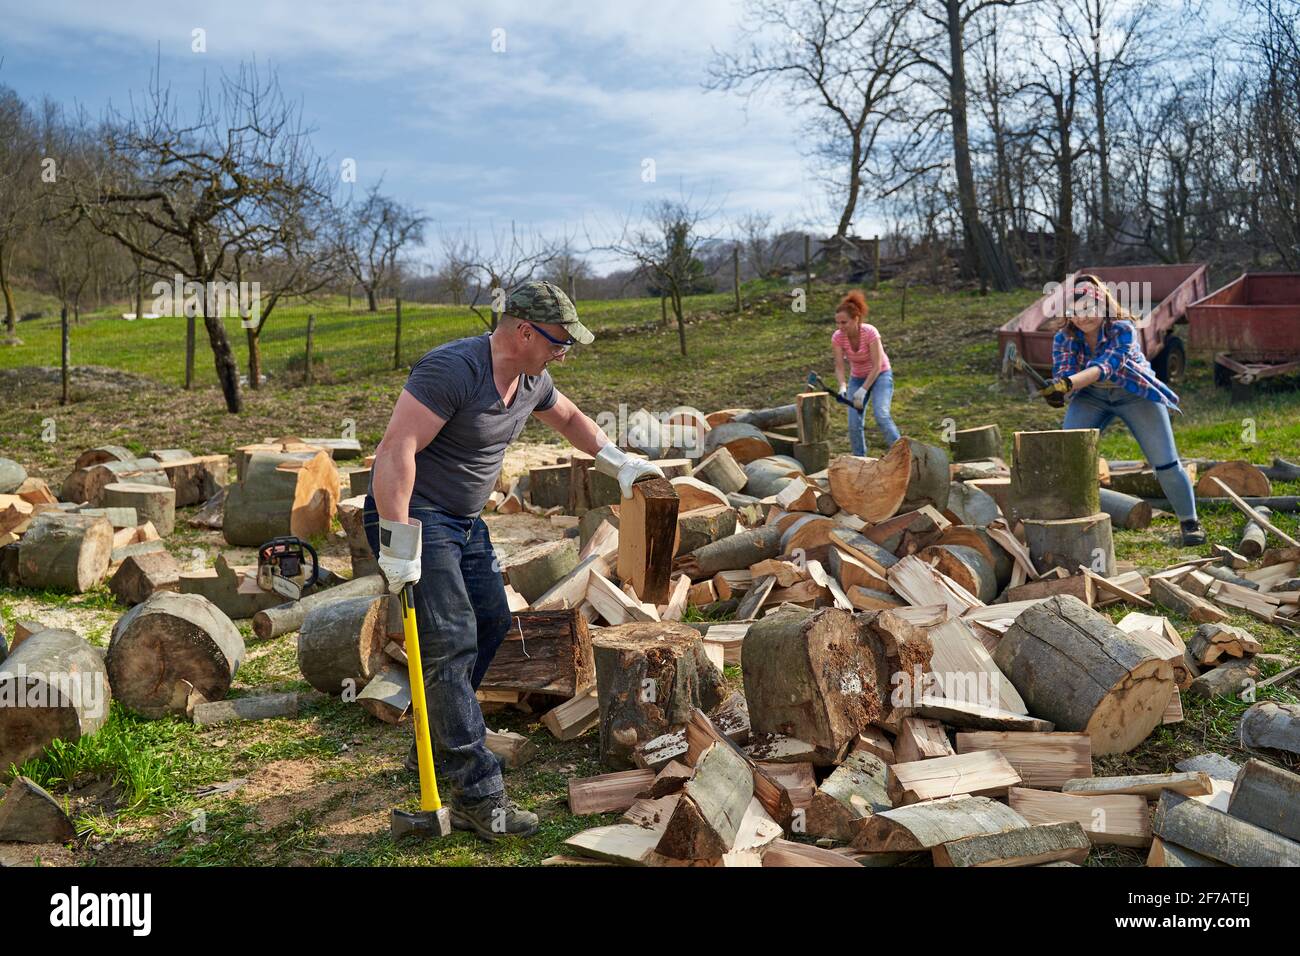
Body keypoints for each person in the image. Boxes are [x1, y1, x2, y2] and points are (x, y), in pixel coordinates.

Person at [364, 280, 664, 841]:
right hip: (413, 515)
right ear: (523, 331)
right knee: (450, 638)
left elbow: (571, 417)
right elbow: (395, 449)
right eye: (558, 340)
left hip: (463, 522)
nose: (564, 351)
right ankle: (479, 794)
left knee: (492, 622)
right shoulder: (452, 370)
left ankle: (441, 739)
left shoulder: (532, 379)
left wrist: (618, 461)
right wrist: (398, 538)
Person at [1039, 275, 1205, 546]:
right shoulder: (1064, 338)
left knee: (1165, 462)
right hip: (1091, 396)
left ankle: (1190, 521)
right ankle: (1070, 521)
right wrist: (1057, 391)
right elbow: (1065, 373)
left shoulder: (1122, 329)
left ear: (1102, 307)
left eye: (1089, 309)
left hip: (1134, 393)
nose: (1083, 317)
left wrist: (1066, 384)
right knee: (1068, 455)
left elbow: (1105, 367)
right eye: (1075, 312)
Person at [832, 289, 900, 456]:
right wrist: (842, 386)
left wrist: (863, 390)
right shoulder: (838, 337)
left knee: (881, 415)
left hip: (880, 375)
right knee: (853, 423)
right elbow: (839, 366)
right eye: (838, 323)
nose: (840, 327)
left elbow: (877, 366)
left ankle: (903, 455)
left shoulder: (870, 332)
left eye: (844, 323)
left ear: (856, 319)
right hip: (857, 377)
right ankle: (860, 460)